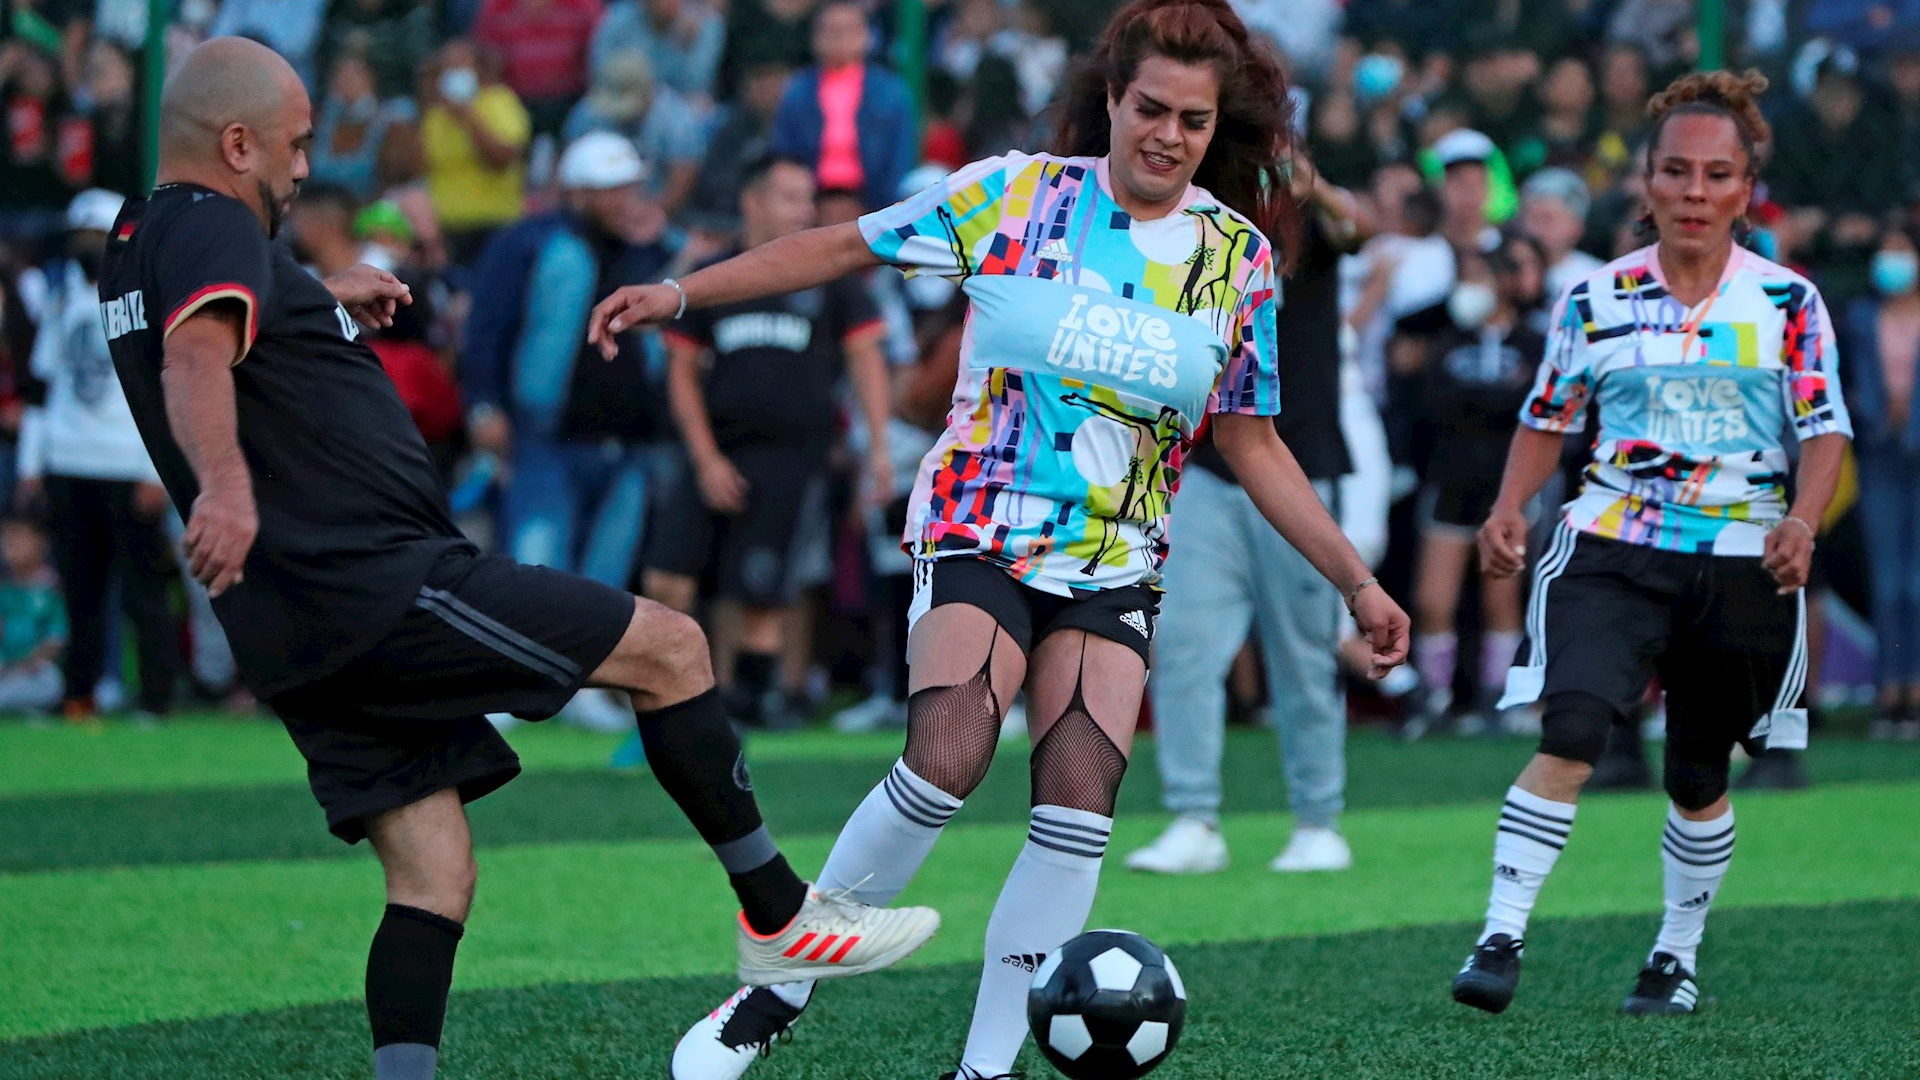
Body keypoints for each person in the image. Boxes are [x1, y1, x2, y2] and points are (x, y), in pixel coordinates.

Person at [587, 2, 1412, 1076]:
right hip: (980, 524)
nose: (1167, 134)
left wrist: (1357, 581)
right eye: (1149, 108)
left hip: (1116, 561)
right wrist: (682, 293)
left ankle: (983, 1071)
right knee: (949, 755)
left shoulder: (1237, 261)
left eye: (1193, 120)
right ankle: (772, 994)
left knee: (1078, 807)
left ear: (1217, 129)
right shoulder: (1014, 195)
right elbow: (843, 245)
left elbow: (1252, 446)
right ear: (1111, 100)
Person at [100, 38, 939, 1080]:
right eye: (294, 146)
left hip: (294, 621)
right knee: (671, 648)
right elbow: (196, 353)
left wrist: (313, 293)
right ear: (235, 145)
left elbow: (216, 315)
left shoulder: (142, 235)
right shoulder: (212, 227)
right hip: (374, 583)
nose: (306, 167)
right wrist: (224, 487)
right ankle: (779, 915)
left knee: (433, 875)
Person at [1451, 70, 1851, 1018]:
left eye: (1718, 175)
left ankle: (1674, 955)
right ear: (1648, 182)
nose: (1695, 193)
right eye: (1677, 172)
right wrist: (1512, 504)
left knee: (1700, 770)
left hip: (1743, 557)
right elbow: (1548, 416)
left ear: (1745, 189)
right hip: (1611, 542)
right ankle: (1500, 935)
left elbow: (1826, 429)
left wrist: (1800, 520)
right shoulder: (1597, 297)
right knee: (1577, 724)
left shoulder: (1788, 303)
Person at [1125, 152, 1367, 876]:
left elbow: (1361, 227)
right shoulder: (1194, 230)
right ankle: (1194, 817)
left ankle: (1319, 821)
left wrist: (1315, 182)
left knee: (1305, 656)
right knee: (1187, 649)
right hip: (1206, 467)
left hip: (1302, 469)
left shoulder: (1308, 225)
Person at [642, 153, 892, 730]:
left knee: (761, 593)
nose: (804, 210)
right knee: (666, 580)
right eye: (789, 196)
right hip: (713, 452)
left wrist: (877, 448)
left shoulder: (831, 280)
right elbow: (680, 370)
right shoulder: (714, 273)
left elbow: (866, 361)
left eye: (806, 198)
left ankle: (746, 710)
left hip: (790, 458)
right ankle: (673, 702)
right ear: (751, 201)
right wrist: (705, 459)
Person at [17, 188, 178, 722]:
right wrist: (32, 464)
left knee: (142, 592)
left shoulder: (147, 298)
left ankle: (155, 699)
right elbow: (42, 388)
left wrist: (155, 470)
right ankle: (78, 695)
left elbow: (164, 394)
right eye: (79, 235)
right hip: (69, 462)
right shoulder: (62, 299)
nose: (86, 245)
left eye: (95, 234)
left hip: (126, 465)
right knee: (80, 590)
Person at [1400, 236, 1548, 735]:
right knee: (1432, 599)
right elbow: (1431, 408)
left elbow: (1534, 414)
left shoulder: (1532, 344)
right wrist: (1490, 404)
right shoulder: (1448, 342)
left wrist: (1481, 405)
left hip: (1505, 489)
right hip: (1449, 482)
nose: (1470, 290)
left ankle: (1500, 699)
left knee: (1502, 597)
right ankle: (1434, 697)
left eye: (1480, 279)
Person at [1845, 223, 1920, 740]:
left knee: (1917, 583)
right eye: (1885, 249)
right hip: (1877, 454)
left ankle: (1915, 686)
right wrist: (1877, 416)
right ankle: (1888, 689)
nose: (1890, 260)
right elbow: (1847, 383)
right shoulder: (1859, 317)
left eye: (1901, 250)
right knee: (1888, 580)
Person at [769, 1, 919, 214]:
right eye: (830, 30)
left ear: (866, 35)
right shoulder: (797, 91)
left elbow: (899, 155)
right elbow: (784, 151)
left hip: (872, 201)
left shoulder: (890, 92)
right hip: (813, 201)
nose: (839, 38)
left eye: (848, 30)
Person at [0, 515, 65, 714]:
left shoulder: (51, 589)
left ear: (40, 543)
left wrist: (27, 663)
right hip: (5, 667)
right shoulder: (3, 589)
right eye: (6, 541)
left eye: (18, 540)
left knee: (50, 680)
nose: (11, 548)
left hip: (34, 669)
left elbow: (57, 638)